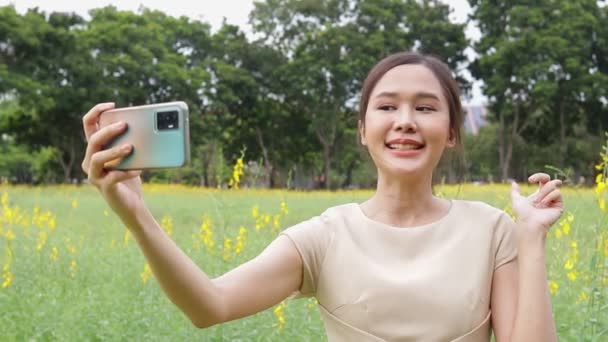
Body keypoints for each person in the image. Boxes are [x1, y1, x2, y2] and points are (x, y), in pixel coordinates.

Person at [81, 52, 562, 341]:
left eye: (426, 107)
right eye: (387, 106)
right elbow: (210, 305)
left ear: (452, 133)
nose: (406, 120)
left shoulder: (492, 230)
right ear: (362, 129)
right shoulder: (323, 237)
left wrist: (532, 238)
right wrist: (137, 215)